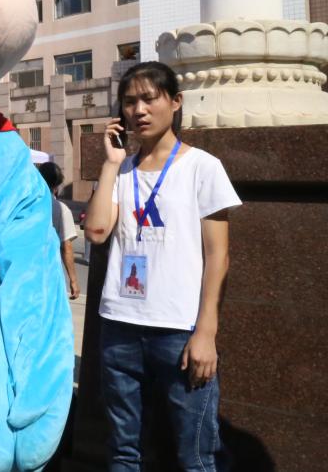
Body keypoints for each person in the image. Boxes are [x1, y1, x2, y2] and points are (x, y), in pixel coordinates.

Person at [83, 61, 241, 471]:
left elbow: (218, 256)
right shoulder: (122, 170)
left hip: (178, 329)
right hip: (119, 325)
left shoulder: (202, 166)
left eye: (149, 98)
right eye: (129, 101)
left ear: (175, 102)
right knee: (124, 451)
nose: (139, 110)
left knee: (197, 455)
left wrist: (206, 331)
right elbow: (96, 232)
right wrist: (110, 163)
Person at [38, 161, 80, 300]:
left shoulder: (25, 205)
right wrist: (73, 280)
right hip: (50, 273)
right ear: (56, 186)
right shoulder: (61, 209)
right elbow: (66, 247)